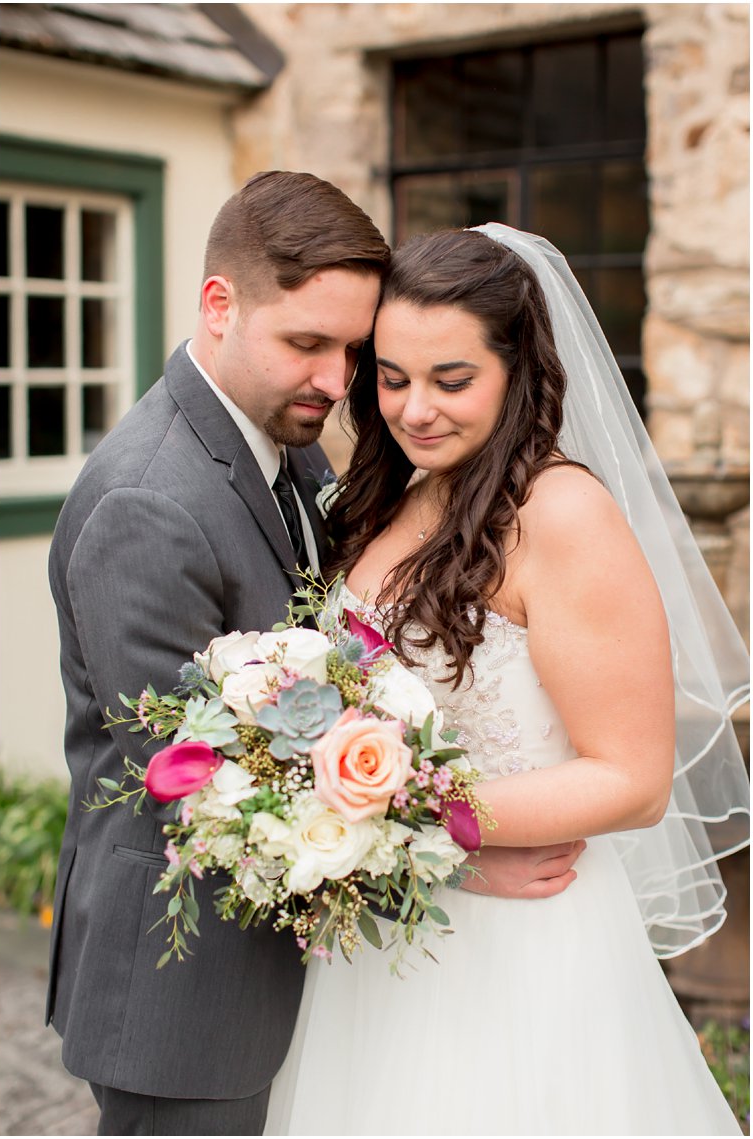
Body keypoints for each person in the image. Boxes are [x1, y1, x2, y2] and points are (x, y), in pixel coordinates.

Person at [46, 172, 590, 1137]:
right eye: (307, 344)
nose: (340, 386)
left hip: (304, 967)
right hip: (185, 990)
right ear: (219, 305)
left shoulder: (283, 439)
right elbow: (197, 773)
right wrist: (451, 858)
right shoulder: (149, 500)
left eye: (353, 352)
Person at [263, 227, 747, 1134]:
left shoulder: (562, 514)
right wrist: (395, 840)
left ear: (518, 369)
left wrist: (406, 814)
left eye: (453, 379)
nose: (415, 410)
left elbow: (634, 778)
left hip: (522, 953)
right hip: (385, 943)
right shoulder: (393, 495)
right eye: (394, 376)